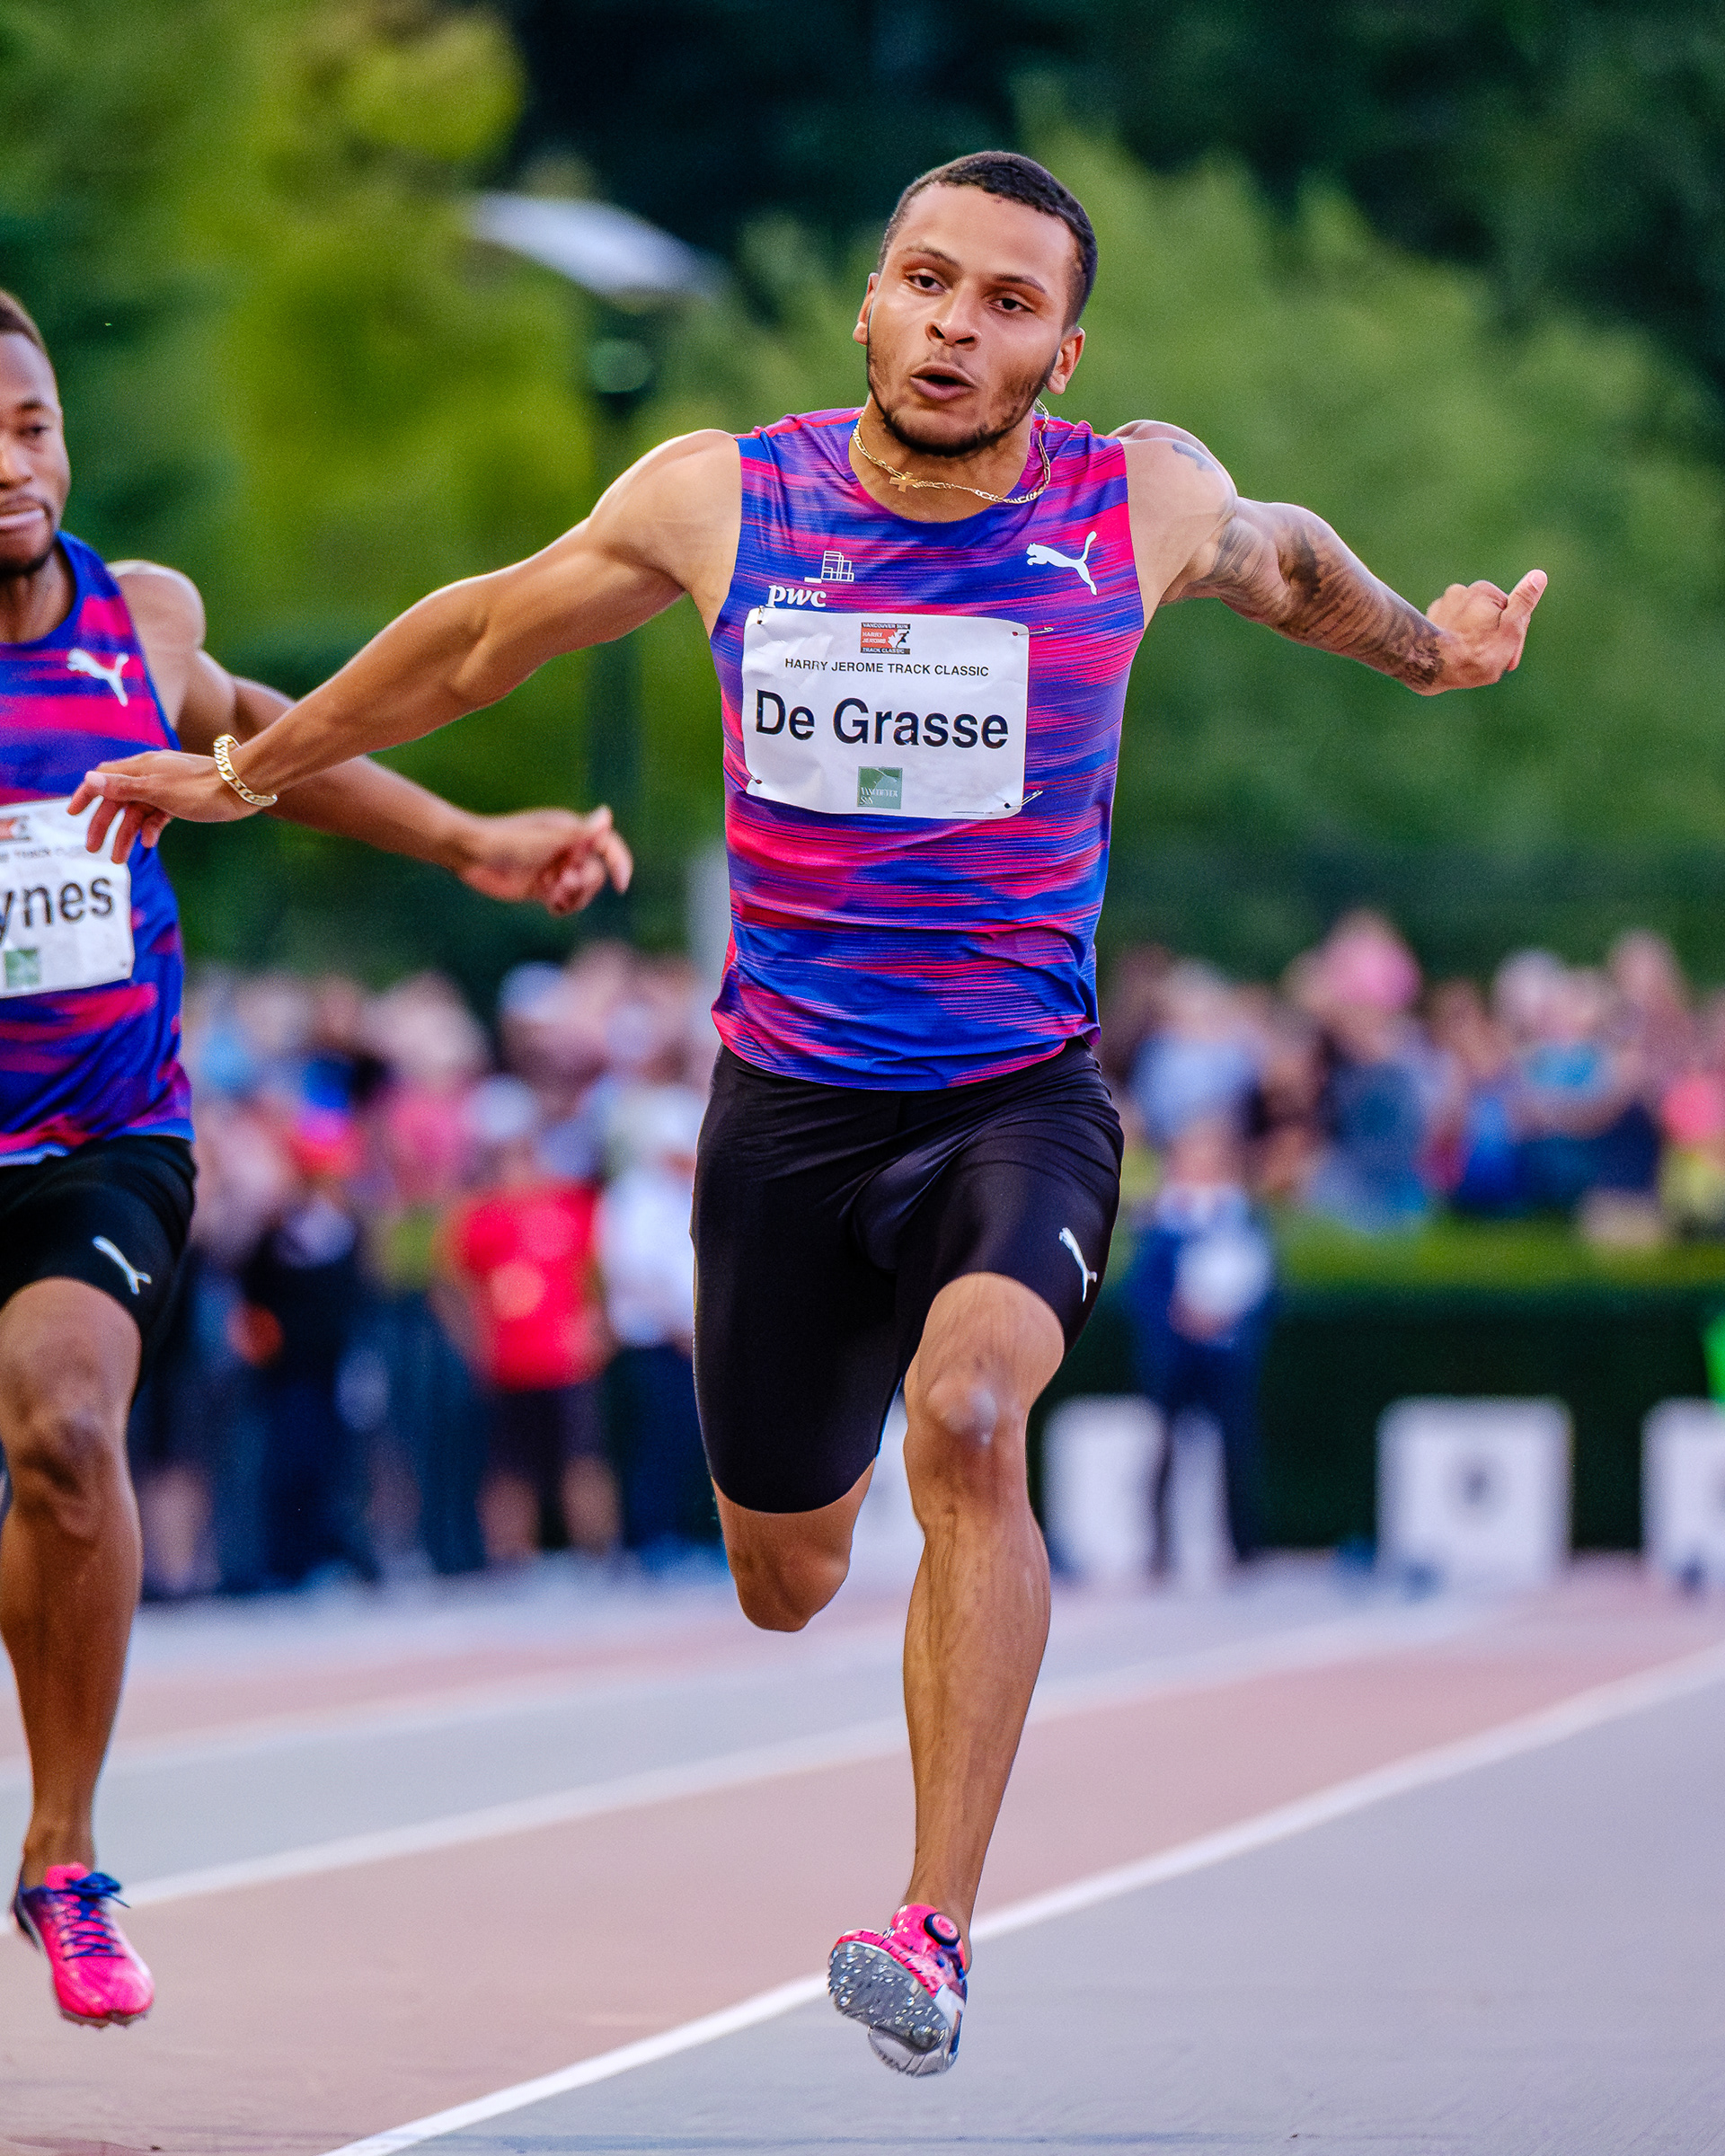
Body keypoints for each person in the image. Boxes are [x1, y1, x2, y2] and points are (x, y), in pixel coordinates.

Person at [80, 150, 1545, 2074]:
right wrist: (258, 767)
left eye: (1007, 301)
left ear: (1061, 348)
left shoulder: (1137, 499)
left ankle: (931, 1931)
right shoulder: (723, 497)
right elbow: (480, 633)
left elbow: (1290, 563)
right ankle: (824, 1538)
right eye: (927, 282)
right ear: (870, 304)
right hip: (785, 1120)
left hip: (1016, 1102)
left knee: (971, 1419)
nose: (957, 323)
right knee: (785, 1576)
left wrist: (1432, 649)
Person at [0, 287, 631, 2028]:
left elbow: (255, 743)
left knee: (66, 1424)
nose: (11, 461)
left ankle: (63, 1855)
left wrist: (468, 841)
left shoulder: (139, 614)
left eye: (32, 422)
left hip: (95, 1130)